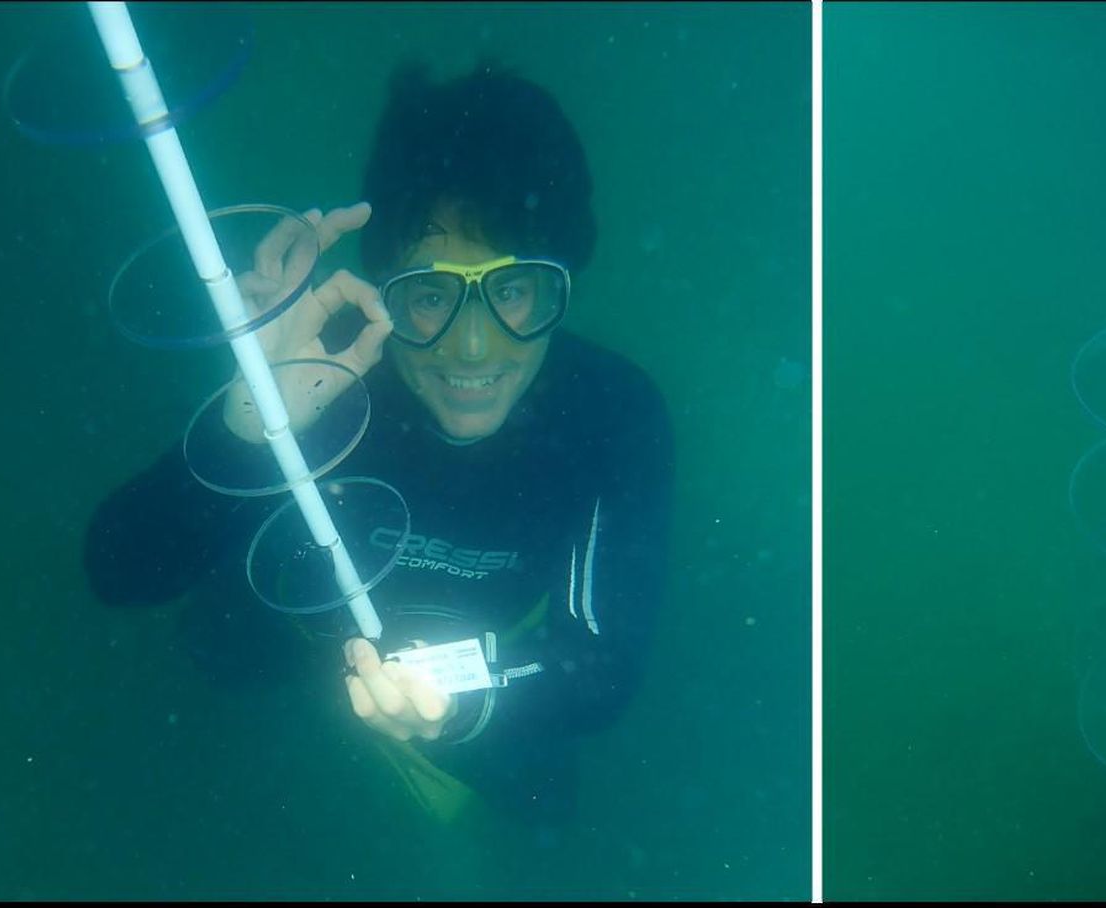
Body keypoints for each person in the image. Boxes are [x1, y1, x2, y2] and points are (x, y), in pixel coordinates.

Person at [83, 61, 675, 830]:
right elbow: (119, 572)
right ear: (381, 284)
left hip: (468, 676)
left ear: (561, 283)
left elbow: (600, 664)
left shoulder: (610, 413)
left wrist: (452, 706)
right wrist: (245, 433)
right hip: (289, 637)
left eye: (511, 289)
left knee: (547, 811)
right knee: (215, 675)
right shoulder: (322, 371)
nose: (471, 347)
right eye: (429, 293)